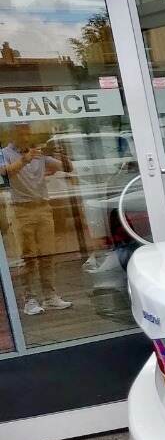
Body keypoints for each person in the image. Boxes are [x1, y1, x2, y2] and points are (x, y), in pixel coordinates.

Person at [0, 124, 73, 315]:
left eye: (27, 133)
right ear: (12, 134)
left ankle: (50, 296)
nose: (25, 137)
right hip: (21, 209)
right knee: (29, 256)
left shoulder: (38, 154)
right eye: (21, 133)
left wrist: (60, 155)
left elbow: (67, 167)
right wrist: (24, 160)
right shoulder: (5, 153)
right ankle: (29, 299)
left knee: (47, 255)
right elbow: (4, 172)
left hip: (43, 207)